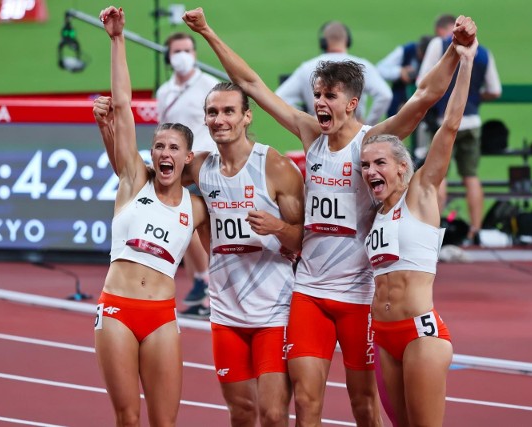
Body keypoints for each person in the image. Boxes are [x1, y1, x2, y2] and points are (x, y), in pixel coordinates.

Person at [182, 7, 477, 425]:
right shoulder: (309, 133)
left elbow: (425, 98)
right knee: (306, 401)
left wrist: (454, 51)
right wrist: (209, 32)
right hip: (309, 291)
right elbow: (251, 84)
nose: (319, 103)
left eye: (329, 96)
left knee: (364, 404)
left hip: (358, 292)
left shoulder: (370, 144)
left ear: (352, 103)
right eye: (317, 94)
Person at [95, 83, 305, 426]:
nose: (220, 119)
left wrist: (277, 228)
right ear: (205, 120)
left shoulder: (276, 167)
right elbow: (134, 172)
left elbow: (301, 241)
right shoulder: (202, 171)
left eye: (228, 111)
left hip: (273, 309)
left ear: (246, 117)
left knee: (273, 414)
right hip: (226, 312)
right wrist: (107, 129)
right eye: (213, 112)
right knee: (241, 412)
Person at [94, 6, 208, 426]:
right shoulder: (133, 181)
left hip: (161, 316)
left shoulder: (197, 207)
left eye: (173, 149)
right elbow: (122, 108)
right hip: (118, 310)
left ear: (187, 158)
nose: (164, 154)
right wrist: (117, 39)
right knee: (128, 416)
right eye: (158, 146)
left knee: (164, 421)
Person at [360, 36, 476, 427]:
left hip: (420, 334)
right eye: (365, 165)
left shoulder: (421, 192)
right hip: (383, 335)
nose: (371, 171)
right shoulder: (373, 213)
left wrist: (466, 62)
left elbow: (451, 124)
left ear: (401, 167)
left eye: (379, 163)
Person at [417, 21, 501, 243]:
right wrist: (472, 97)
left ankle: (430, 231)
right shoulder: (483, 52)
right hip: (472, 121)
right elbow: (494, 90)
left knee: (438, 176)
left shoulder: (439, 44)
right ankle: (476, 231)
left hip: (445, 120)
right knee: (471, 177)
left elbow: (422, 82)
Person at [158, 31, 221, 318]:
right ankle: (199, 282)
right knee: (181, 227)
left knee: (197, 226)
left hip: (203, 167)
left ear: (194, 53)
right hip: (177, 169)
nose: (183, 55)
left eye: (187, 49)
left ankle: (208, 284)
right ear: (169, 56)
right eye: (177, 51)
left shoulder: (209, 85)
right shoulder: (164, 91)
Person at [275, 20, 393, 126]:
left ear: (323, 42)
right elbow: (385, 95)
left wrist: (306, 121)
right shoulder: (363, 66)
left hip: (319, 129)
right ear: (347, 41)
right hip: (353, 132)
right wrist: (368, 125)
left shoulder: (306, 67)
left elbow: (280, 97)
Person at [376, 15, 455, 118]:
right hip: (398, 108)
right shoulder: (407, 50)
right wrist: (399, 72)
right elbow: (379, 69)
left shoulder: (440, 53)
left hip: (428, 112)